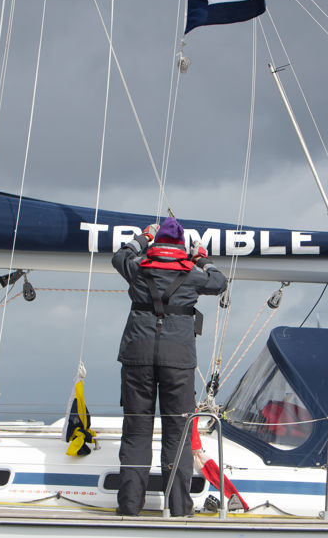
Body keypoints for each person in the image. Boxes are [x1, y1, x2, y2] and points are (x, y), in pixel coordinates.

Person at [111, 217, 227, 517]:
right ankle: (178, 508)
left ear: (157, 241)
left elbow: (120, 256)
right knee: (178, 433)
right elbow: (219, 281)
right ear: (181, 246)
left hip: (137, 355)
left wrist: (143, 237)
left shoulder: (138, 267)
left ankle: (129, 507)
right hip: (178, 359)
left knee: (136, 432)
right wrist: (202, 258)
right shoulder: (193, 274)